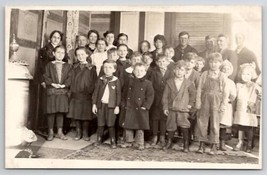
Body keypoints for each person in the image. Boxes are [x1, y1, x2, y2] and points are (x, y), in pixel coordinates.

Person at [195, 52, 228, 155]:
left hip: (216, 100)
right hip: (205, 99)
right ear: (209, 63)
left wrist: (223, 104)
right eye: (211, 62)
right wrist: (198, 101)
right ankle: (201, 143)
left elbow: (226, 93)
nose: (214, 64)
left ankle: (214, 144)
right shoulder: (205, 74)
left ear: (220, 63)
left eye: (216, 62)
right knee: (202, 121)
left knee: (214, 123)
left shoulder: (222, 76)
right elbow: (199, 88)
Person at [162, 60, 196, 152]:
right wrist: (165, 107)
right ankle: (169, 142)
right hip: (172, 108)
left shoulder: (189, 83)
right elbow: (165, 96)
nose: (179, 72)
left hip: (183, 109)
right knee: (171, 126)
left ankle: (186, 144)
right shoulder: (169, 82)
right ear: (174, 70)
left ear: (185, 71)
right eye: (177, 70)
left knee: (184, 126)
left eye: (182, 70)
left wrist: (190, 105)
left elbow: (193, 95)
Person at [121, 63, 154, 150]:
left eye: (141, 71)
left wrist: (145, 106)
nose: (139, 72)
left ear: (145, 72)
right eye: (137, 70)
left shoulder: (148, 83)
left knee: (140, 126)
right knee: (128, 125)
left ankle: (139, 142)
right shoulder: (129, 81)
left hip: (140, 107)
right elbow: (124, 93)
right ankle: (128, 141)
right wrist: (124, 104)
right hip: (130, 107)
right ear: (133, 71)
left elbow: (150, 96)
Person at [67, 47, 97, 141]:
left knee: (86, 115)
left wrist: (90, 91)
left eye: (82, 54)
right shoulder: (74, 67)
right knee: (76, 115)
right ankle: (78, 131)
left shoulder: (91, 67)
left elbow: (94, 81)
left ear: (87, 55)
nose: (80, 56)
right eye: (78, 55)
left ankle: (85, 132)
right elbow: (70, 79)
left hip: (86, 95)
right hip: (76, 94)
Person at [43, 45, 72, 141]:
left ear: (65, 55)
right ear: (53, 53)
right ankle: (50, 131)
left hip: (62, 91)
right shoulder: (49, 65)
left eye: (62, 53)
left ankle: (60, 131)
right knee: (51, 111)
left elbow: (70, 77)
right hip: (52, 90)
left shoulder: (68, 66)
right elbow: (46, 76)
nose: (60, 54)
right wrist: (52, 84)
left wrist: (64, 85)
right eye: (58, 52)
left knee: (60, 111)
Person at [92, 60, 121, 149]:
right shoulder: (100, 79)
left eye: (110, 67)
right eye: (105, 67)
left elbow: (118, 94)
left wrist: (117, 106)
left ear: (114, 69)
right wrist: (94, 104)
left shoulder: (116, 80)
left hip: (111, 106)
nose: (107, 69)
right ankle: (99, 139)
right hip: (101, 105)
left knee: (110, 124)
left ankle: (113, 140)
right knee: (100, 123)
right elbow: (95, 93)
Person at [233, 64, 261, 153]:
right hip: (240, 107)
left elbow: (261, 93)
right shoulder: (238, 85)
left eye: (248, 74)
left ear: (252, 75)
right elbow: (234, 96)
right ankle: (240, 142)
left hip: (249, 108)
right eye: (244, 74)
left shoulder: (255, 85)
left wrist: (259, 96)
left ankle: (249, 144)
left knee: (249, 126)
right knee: (240, 125)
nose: (246, 76)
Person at [150, 54, 174, 147]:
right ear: (156, 63)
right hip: (156, 98)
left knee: (164, 119)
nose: (162, 63)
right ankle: (155, 136)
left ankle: (162, 137)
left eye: (164, 61)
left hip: (166, 99)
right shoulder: (153, 72)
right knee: (155, 118)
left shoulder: (171, 72)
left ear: (168, 62)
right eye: (159, 62)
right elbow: (151, 86)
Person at [219, 60, 237, 151]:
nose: (225, 70)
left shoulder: (231, 82)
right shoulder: (217, 79)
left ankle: (222, 142)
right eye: (224, 69)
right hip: (216, 104)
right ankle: (214, 142)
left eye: (228, 69)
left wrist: (227, 100)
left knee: (223, 125)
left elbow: (233, 95)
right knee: (215, 123)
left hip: (226, 105)